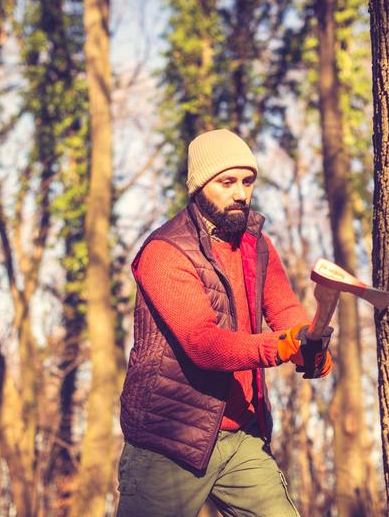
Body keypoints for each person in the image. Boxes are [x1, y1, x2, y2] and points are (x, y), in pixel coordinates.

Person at [115, 128, 334, 516]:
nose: (240, 193)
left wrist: (309, 347)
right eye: (226, 182)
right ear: (199, 186)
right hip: (170, 438)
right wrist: (280, 346)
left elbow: (286, 312)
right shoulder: (165, 252)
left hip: (240, 438)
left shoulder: (257, 245)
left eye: (247, 181)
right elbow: (203, 343)